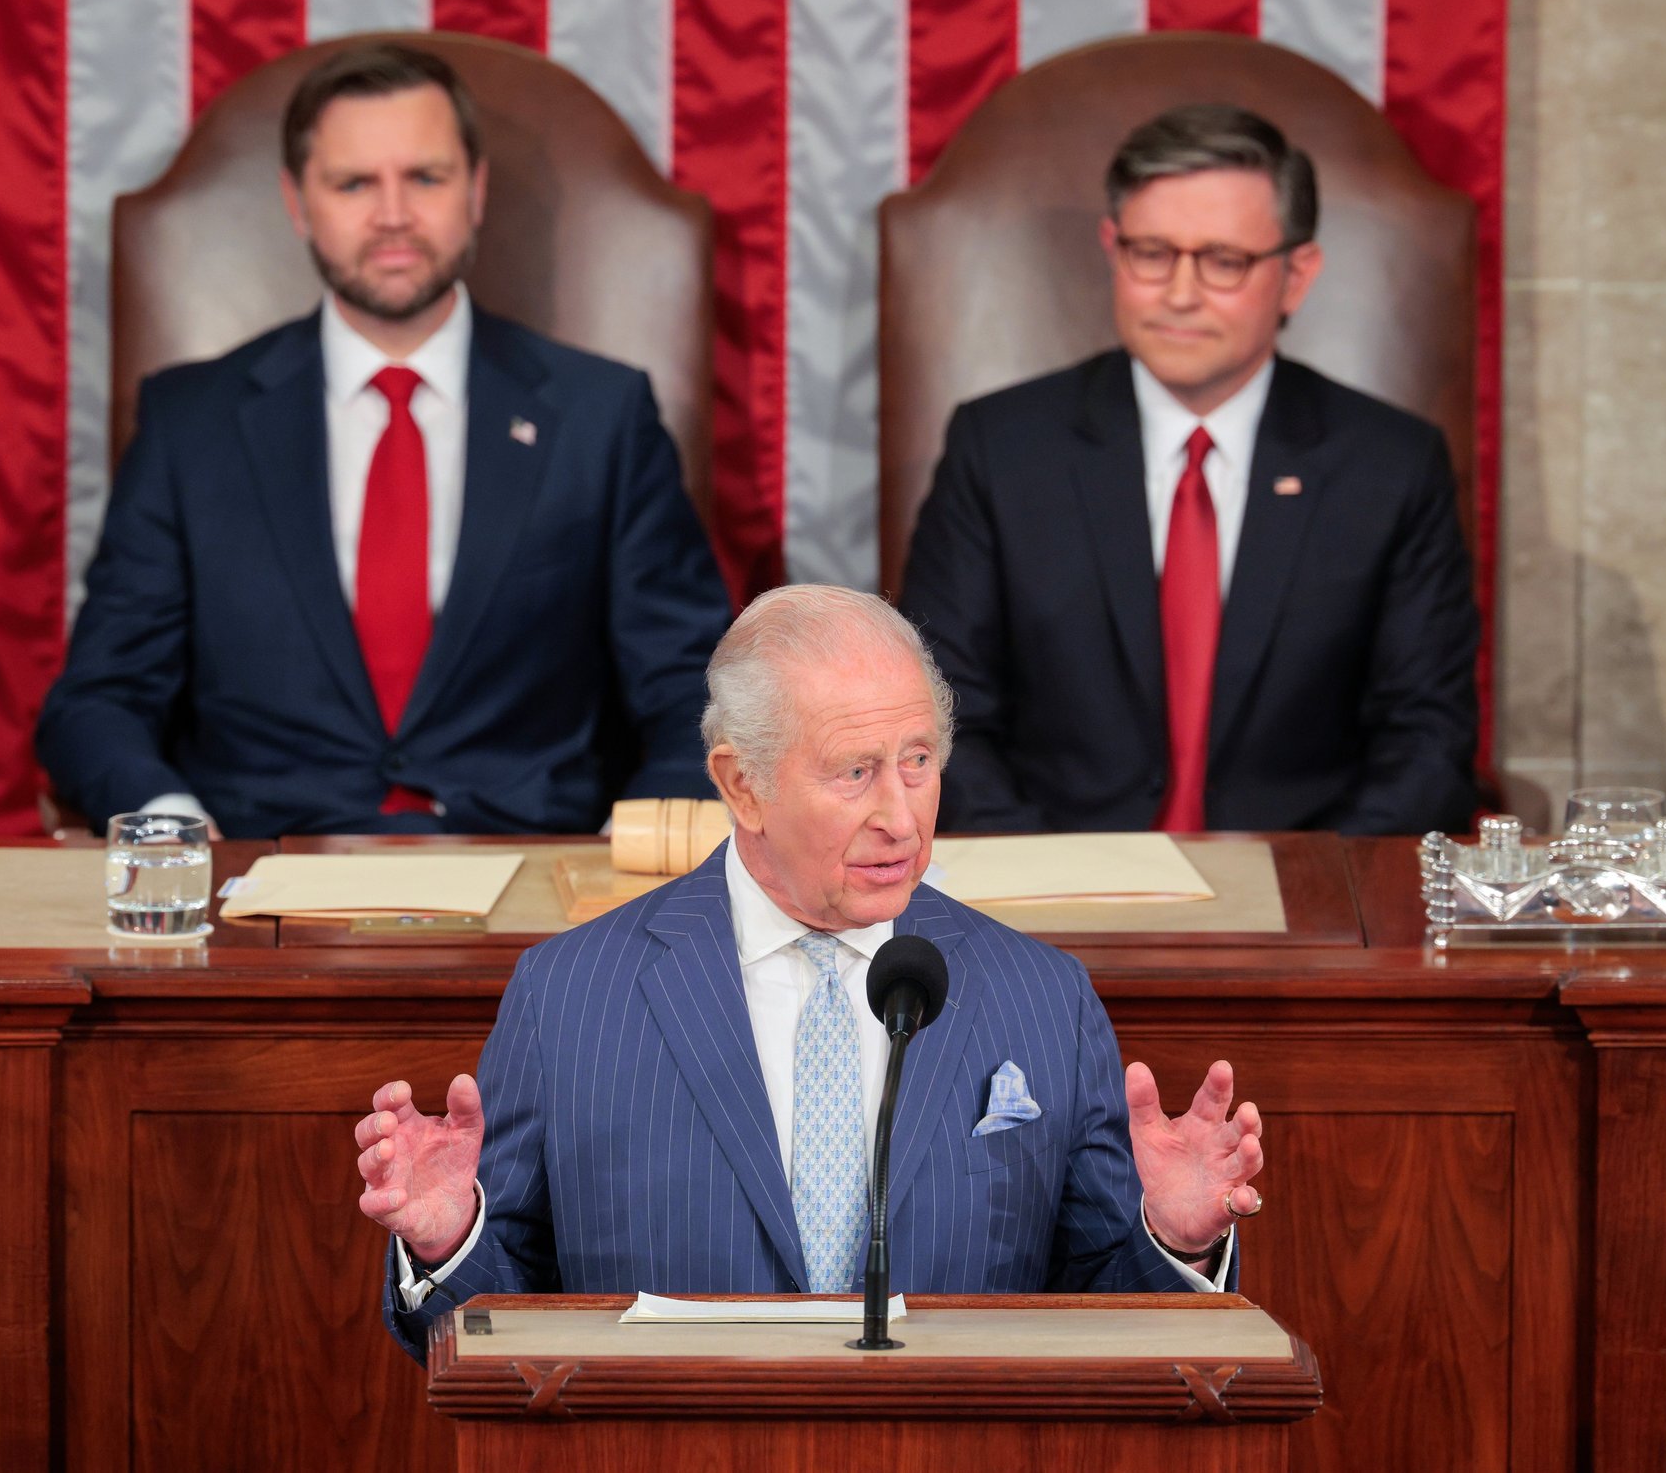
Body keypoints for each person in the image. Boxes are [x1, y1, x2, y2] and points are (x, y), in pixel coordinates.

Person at [355, 585, 1266, 1361]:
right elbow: (495, 1333)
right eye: (855, 771)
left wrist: (1176, 1240)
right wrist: (449, 1241)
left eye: (918, 761)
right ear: (741, 784)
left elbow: (1106, 1320)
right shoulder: (571, 996)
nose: (900, 816)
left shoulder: (1043, 998)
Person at [37, 43, 731, 838]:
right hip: (261, 872)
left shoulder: (600, 416)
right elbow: (100, 699)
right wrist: (174, 831)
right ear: (298, 203)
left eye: (425, 178)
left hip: (532, 870)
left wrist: (640, 843)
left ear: (475, 191)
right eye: (354, 183)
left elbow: (693, 688)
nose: (393, 214)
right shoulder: (190, 424)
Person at [901, 103, 1479, 836]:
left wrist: (1311, 887)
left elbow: (1427, 743)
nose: (1179, 293)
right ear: (1113, 250)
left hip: (1303, 882)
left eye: (1223, 261)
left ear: (1296, 275)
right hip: (1053, 876)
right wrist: (1059, 883)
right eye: (1152, 253)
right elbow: (940, 717)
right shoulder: (1001, 448)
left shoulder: (1391, 466)